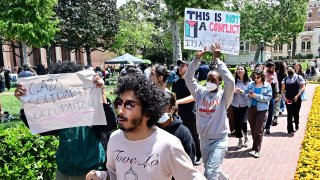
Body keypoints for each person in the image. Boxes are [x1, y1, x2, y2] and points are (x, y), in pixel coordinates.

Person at [86, 74, 206, 180]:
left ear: (147, 112)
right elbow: (114, 174)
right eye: (118, 103)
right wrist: (101, 176)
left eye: (129, 105)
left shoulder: (168, 145)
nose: (120, 110)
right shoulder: (114, 139)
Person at [14, 61, 117, 179]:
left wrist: (101, 92)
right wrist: (25, 102)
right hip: (64, 170)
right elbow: (42, 129)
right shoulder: (58, 109)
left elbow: (110, 124)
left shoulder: (91, 104)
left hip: (91, 170)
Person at [184, 43, 235, 179]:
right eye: (208, 79)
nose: (209, 82)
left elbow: (230, 81)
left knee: (210, 173)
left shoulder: (224, 96)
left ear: (219, 83)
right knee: (211, 169)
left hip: (219, 140)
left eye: (213, 80)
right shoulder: (200, 93)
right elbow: (188, 78)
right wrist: (196, 60)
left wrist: (217, 60)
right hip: (204, 139)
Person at [172, 59, 202, 165]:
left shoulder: (193, 82)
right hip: (179, 113)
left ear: (189, 68)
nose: (180, 67)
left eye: (183, 65)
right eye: (179, 66)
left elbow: (193, 96)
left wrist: (178, 102)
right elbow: (174, 96)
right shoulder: (176, 82)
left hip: (190, 112)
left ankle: (199, 155)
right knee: (180, 135)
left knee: (194, 134)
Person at [157, 91, 196, 164]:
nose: (158, 112)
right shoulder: (151, 129)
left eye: (162, 109)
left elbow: (189, 161)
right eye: (156, 108)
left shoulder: (183, 133)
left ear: (172, 109)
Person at [245, 69, 272, 158]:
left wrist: (256, 96)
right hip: (251, 108)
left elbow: (268, 98)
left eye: (258, 77)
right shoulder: (250, 84)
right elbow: (245, 94)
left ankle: (257, 149)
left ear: (262, 76)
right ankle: (255, 144)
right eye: (254, 77)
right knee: (253, 129)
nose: (256, 79)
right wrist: (248, 95)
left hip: (262, 109)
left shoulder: (267, 85)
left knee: (259, 130)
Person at [281, 66, 306, 135]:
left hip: (297, 98)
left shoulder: (299, 77)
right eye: (288, 69)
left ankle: (296, 123)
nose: (289, 70)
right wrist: (284, 98)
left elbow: (303, 87)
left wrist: (298, 95)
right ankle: (289, 129)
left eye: (290, 69)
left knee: (296, 113)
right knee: (289, 114)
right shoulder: (285, 79)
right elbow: (282, 90)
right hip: (288, 99)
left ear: (294, 70)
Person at [231, 65, 251, 149]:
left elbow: (249, 95)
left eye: (241, 69)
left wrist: (242, 91)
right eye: (238, 69)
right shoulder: (233, 81)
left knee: (243, 121)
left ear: (245, 71)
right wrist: (233, 92)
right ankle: (240, 139)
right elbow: (228, 92)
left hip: (245, 104)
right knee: (236, 122)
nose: (239, 70)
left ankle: (246, 135)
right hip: (235, 104)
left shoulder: (249, 82)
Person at [264, 61, 279, 134]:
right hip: (264, 94)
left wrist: (277, 95)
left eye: (274, 68)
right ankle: (262, 125)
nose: (273, 69)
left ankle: (267, 127)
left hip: (272, 94)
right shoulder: (264, 73)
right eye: (272, 68)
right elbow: (261, 83)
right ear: (268, 67)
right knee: (263, 111)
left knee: (271, 111)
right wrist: (268, 80)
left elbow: (276, 84)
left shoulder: (274, 73)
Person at [272, 61, 287, 126]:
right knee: (277, 105)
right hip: (280, 91)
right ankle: (275, 117)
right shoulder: (284, 74)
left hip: (272, 91)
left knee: (272, 105)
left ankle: (273, 117)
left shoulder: (273, 73)